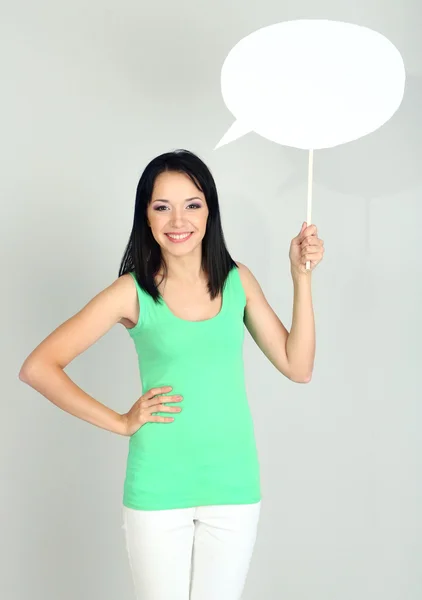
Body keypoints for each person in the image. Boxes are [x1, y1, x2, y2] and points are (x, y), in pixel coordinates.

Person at [18, 149, 324, 599]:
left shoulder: (239, 281)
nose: (177, 220)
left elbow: (298, 367)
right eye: (162, 206)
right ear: (146, 215)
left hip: (233, 485)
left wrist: (301, 277)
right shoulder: (131, 292)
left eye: (192, 205)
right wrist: (121, 422)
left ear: (209, 211)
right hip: (158, 487)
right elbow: (38, 367)